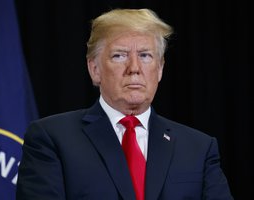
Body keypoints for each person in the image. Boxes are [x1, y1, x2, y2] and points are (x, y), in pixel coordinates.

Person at [16, 8, 233, 200]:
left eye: (145, 55)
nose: (134, 68)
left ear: (160, 69)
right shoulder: (51, 139)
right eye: (120, 56)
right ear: (95, 69)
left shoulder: (199, 148)